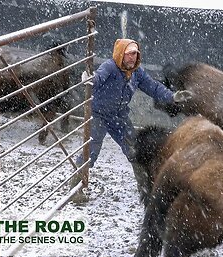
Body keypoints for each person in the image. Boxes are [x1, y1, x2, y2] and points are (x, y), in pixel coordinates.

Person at [70, 38, 184, 200]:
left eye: (135, 54)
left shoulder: (137, 73)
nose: (133, 58)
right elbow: (98, 78)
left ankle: (145, 187)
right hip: (98, 115)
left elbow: (154, 87)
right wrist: (89, 79)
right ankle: (76, 187)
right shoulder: (110, 67)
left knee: (134, 149)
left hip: (119, 115)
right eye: (129, 54)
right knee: (91, 151)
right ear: (120, 54)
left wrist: (172, 96)